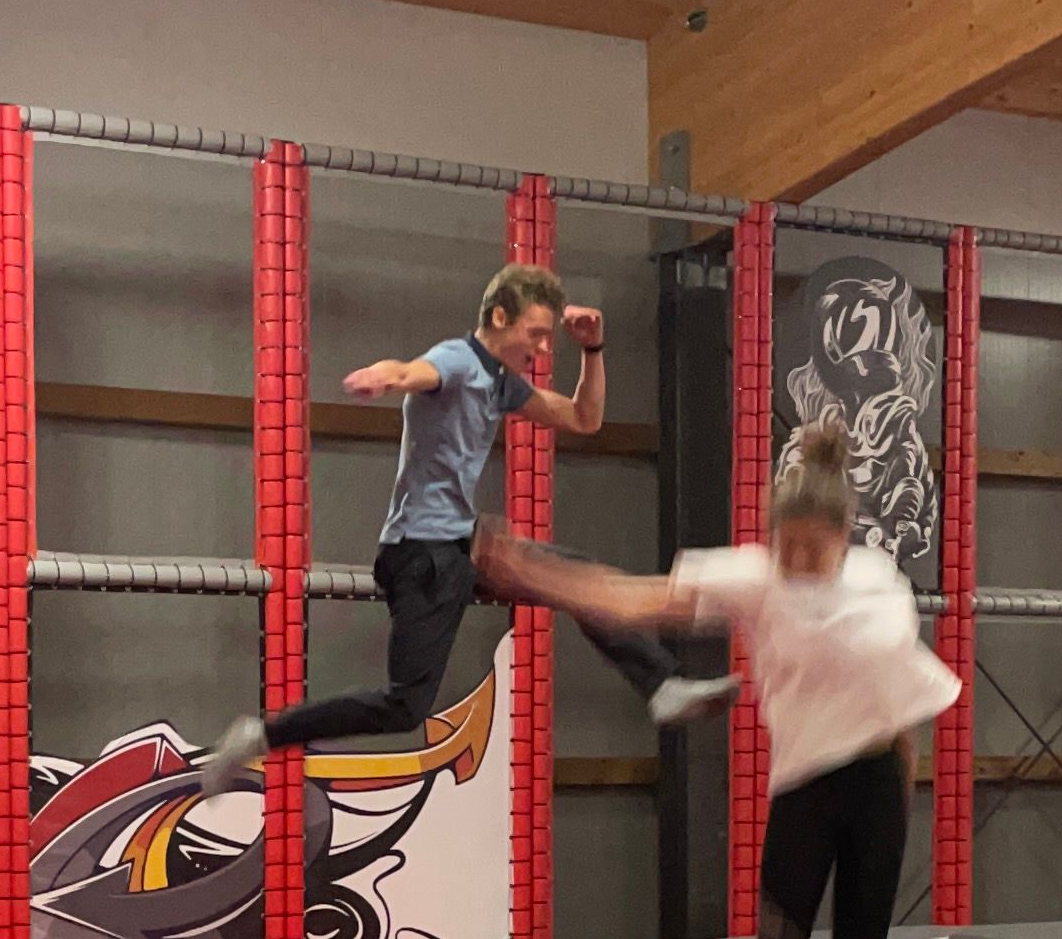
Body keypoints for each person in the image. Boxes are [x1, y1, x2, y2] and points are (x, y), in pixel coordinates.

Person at [481, 417, 960, 939]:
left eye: (813, 549)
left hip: (878, 788)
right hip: (804, 791)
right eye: (786, 546)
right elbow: (634, 599)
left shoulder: (882, 584)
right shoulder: (753, 576)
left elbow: (904, 710)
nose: (797, 562)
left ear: (844, 534)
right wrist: (536, 575)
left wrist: (906, 803)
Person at [198, 264, 731, 788]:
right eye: (536, 334)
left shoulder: (500, 383)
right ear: (499, 317)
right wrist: (388, 376)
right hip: (421, 553)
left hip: (466, 544)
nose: (545, 348)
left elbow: (583, 418)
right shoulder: (457, 359)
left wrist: (593, 351)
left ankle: (662, 685)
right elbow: (416, 372)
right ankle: (262, 735)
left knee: (577, 579)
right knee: (405, 706)